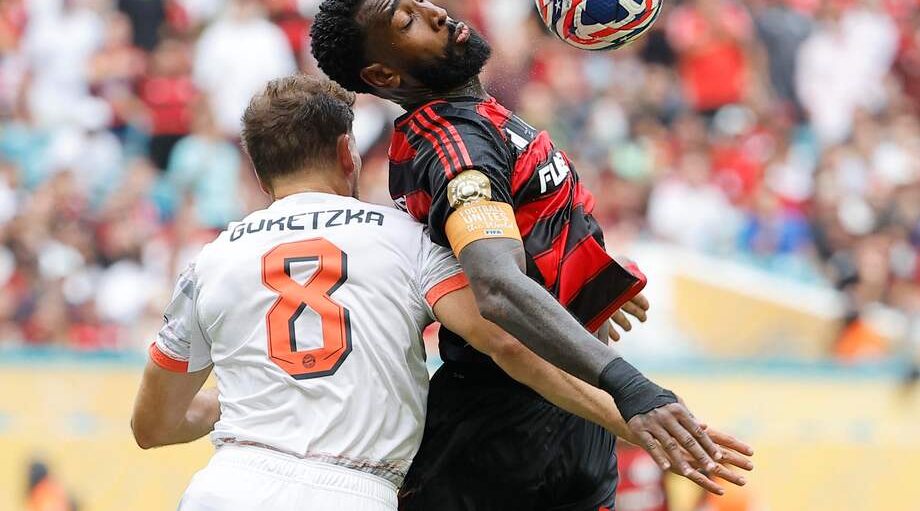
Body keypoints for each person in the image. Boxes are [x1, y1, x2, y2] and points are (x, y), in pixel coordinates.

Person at [130, 75, 752, 510]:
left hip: (226, 489)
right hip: (352, 491)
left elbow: (151, 426)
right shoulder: (403, 238)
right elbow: (506, 340)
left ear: (258, 170)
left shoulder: (208, 263)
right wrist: (628, 417)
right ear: (349, 153)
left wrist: (253, 396)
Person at [310, 0, 746, 510]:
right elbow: (497, 287)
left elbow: (519, 230)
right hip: (500, 445)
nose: (436, 12)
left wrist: (588, 268)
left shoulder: (476, 120)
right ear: (383, 72)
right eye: (407, 20)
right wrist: (631, 390)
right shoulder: (455, 146)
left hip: (563, 429)